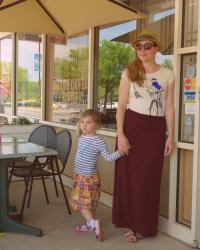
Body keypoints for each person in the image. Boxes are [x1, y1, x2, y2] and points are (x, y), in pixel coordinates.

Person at [112, 28, 175, 243]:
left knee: (148, 180)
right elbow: (120, 106)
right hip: (132, 127)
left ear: (156, 49)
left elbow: (168, 107)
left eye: (147, 46)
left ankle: (145, 226)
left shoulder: (168, 74)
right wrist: (120, 135)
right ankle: (132, 225)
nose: (142, 50)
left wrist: (170, 136)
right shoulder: (129, 72)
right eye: (138, 46)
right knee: (129, 179)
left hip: (155, 130)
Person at [70, 109, 123, 241]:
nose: (84, 125)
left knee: (81, 204)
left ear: (97, 125)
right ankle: (89, 224)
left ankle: (94, 224)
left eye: (88, 122)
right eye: (82, 122)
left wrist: (120, 152)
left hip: (88, 178)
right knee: (90, 204)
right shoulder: (82, 137)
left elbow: (109, 157)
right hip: (80, 175)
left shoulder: (99, 141)